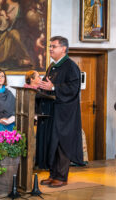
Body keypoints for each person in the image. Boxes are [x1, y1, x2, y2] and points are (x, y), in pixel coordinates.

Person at [38, 36, 83, 187]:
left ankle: (62, 177)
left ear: (63, 49)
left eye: (54, 46)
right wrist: (41, 87)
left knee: (62, 144)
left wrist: (54, 88)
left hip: (66, 113)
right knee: (53, 143)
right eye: (50, 46)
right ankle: (53, 174)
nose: (50, 49)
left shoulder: (71, 66)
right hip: (53, 111)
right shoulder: (52, 66)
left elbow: (73, 88)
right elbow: (47, 85)